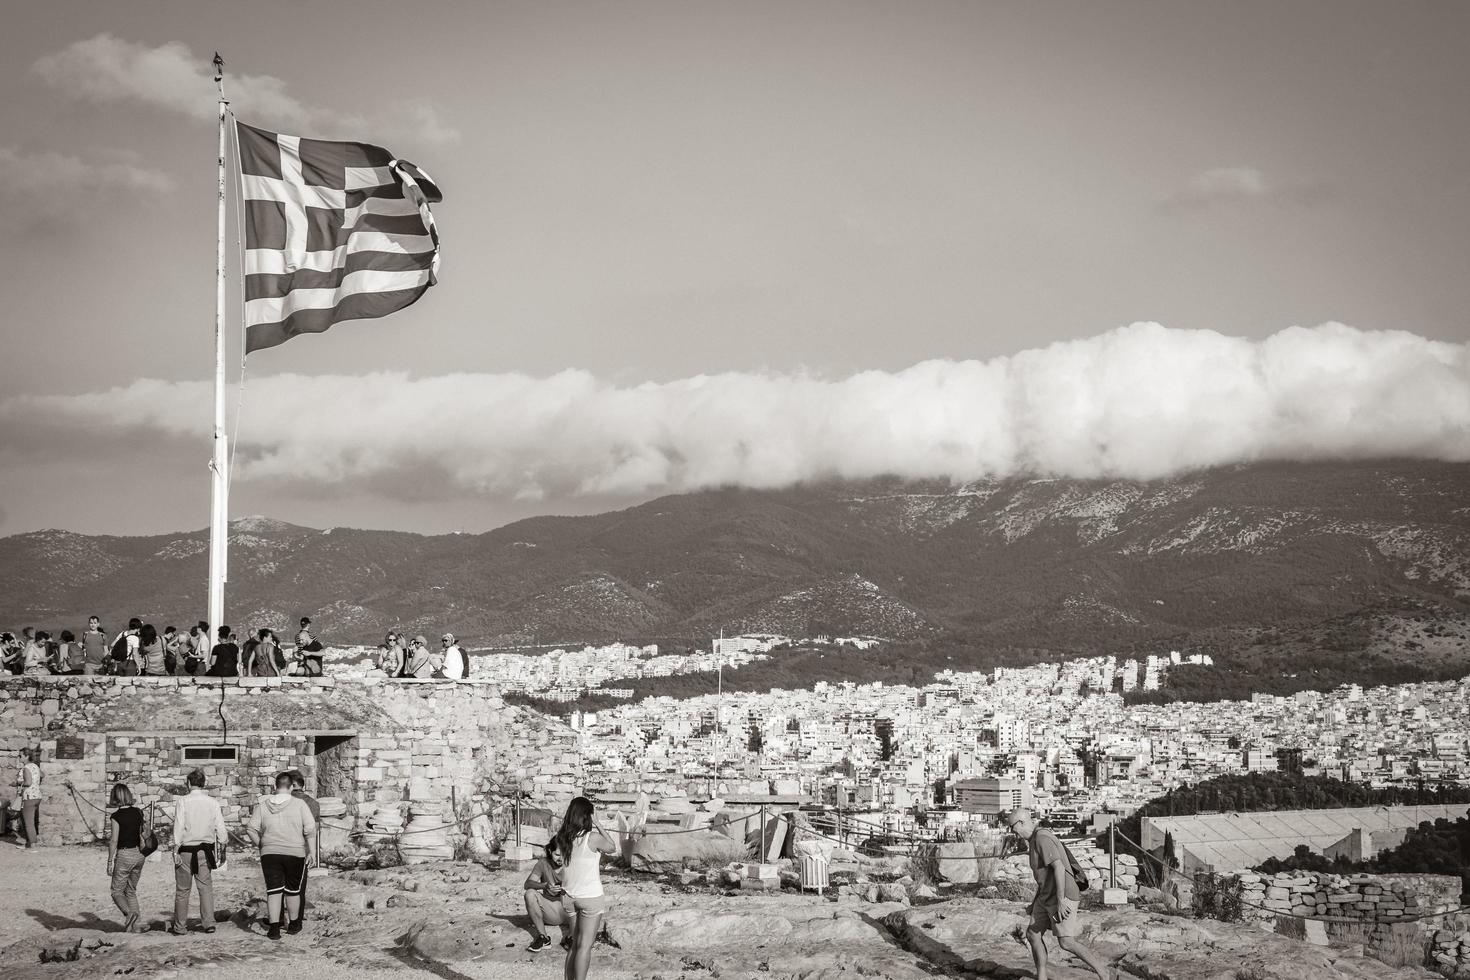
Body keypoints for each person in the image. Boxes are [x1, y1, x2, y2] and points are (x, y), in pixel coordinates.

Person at [1006, 808, 1114, 980]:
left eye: (1012, 827)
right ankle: (1042, 977)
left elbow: (1059, 868)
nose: (1012, 832)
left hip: (1061, 894)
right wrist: (1034, 904)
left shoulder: (1042, 838)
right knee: (1032, 934)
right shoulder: (1034, 840)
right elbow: (1043, 877)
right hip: (1046, 895)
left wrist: (1061, 900)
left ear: (1021, 822)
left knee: (1066, 942)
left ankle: (1103, 972)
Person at [554, 796, 620, 980]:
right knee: (585, 946)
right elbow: (613, 848)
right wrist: (598, 823)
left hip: (568, 897)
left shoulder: (562, 838)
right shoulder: (592, 838)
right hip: (590, 897)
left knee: (575, 945)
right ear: (587, 815)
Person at [246, 772, 317, 940]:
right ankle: (293, 925)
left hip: (270, 853)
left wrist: (261, 844)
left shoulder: (263, 805)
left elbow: (251, 828)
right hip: (295, 852)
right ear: (292, 787)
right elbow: (310, 829)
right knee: (293, 890)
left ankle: (274, 928)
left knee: (274, 890)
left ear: (275, 787)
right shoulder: (299, 804)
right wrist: (312, 852)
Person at [170, 769, 226, 935]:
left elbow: (179, 826)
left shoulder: (183, 802)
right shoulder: (212, 803)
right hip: (204, 851)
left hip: (185, 850)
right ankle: (208, 923)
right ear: (204, 784)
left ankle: (180, 926)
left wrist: (175, 849)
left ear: (188, 783)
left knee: (182, 890)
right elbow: (220, 828)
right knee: (205, 888)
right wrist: (223, 847)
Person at [107, 783, 148, 932]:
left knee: (116, 891)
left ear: (115, 797)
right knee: (130, 891)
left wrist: (110, 861)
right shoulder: (138, 812)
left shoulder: (116, 817)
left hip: (124, 854)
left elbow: (114, 841)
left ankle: (130, 914)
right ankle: (137, 926)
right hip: (139, 854)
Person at [524, 842, 573, 952]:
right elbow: (527, 884)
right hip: (552, 911)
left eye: (564, 854)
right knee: (529, 894)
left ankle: (571, 937)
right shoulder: (543, 863)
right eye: (557, 854)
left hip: (571, 909)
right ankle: (543, 938)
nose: (561, 858)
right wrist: (544, 886)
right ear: (550, 852)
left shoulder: (573, 863)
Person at [285, 771, 319, 928]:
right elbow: (314, 830)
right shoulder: (313, 803)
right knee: (299, 888)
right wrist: (313, 852)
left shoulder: (284, 801)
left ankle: (278, 920)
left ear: (292, 784)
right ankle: (297, 921)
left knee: (280, 888)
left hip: (283, 847)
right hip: (303, 849)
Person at [16, 747, 42, 849]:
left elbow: (28, 782)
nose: (19, 757)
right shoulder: (35, 766)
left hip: (29, 797)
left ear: (26, 756)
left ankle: (33, 845)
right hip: (37, 796)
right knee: (29, 820)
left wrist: (17, 783)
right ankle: (28, 844)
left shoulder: (26, 768)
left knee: (28, 823)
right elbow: (42, 775)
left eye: (20, 755)